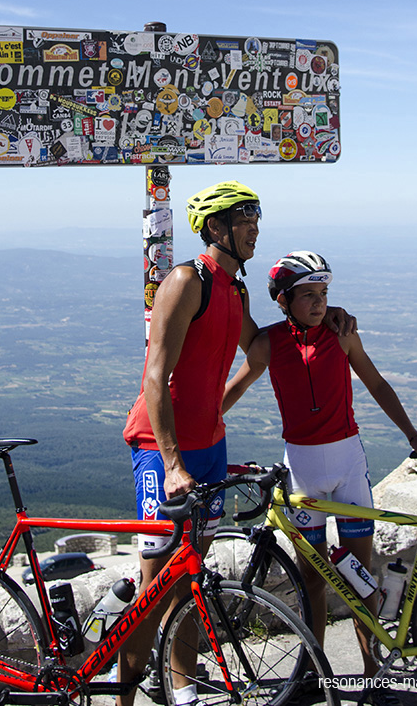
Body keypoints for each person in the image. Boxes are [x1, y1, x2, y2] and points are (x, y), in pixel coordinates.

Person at [119, 186, 354, 706]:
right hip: (162, 449)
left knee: (188, 583)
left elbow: (261, 345)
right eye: (244, 218)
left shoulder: (237, 291)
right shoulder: (186, 281)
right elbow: (155, 378)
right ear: (215, 227)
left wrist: (325, 313)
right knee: (155, 587)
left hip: (209, 446)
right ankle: (124, 699)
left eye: (256, 216)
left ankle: (182, 691)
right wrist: (174, 462)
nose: (254, 227)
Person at [223, 251, 417, 706]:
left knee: (360, 576)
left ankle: (373, 670)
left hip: (347, 466)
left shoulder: (341, 335)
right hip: (302, 468)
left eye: (324, 294)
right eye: (309, 295)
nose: (321, 303)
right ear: (284, 301)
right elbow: (237, 387)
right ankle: (312, 670)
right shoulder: (268, 343)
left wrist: (413, 435)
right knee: (311, 579)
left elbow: (377, 384)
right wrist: (185, 434)